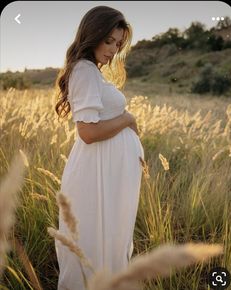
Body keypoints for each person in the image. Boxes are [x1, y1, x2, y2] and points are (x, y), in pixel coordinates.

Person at [54, 5, 145, 290]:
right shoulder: (84, 70)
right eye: (109, 41)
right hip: (96, 173)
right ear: (92, 35)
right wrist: (128, 118)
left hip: (106, 171)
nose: (114, 50)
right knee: (95, 239)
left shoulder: (92, 71)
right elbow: (88, 132)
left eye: (118, 44)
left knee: (107, 237)